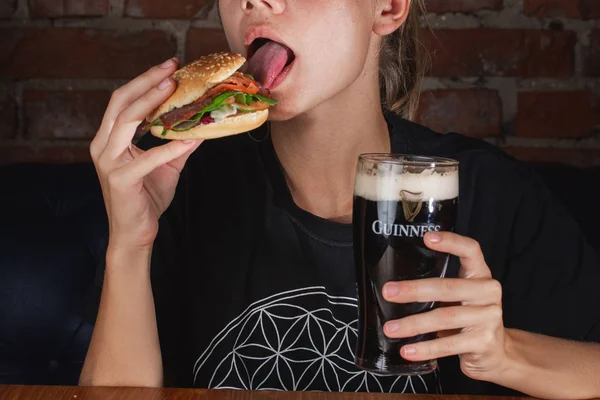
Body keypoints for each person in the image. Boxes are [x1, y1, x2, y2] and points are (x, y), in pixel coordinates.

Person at [78, 0, 600, 398]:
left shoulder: (495, 193)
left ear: (388, 8)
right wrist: (129, 242)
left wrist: (506, 354)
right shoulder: (174, 183)